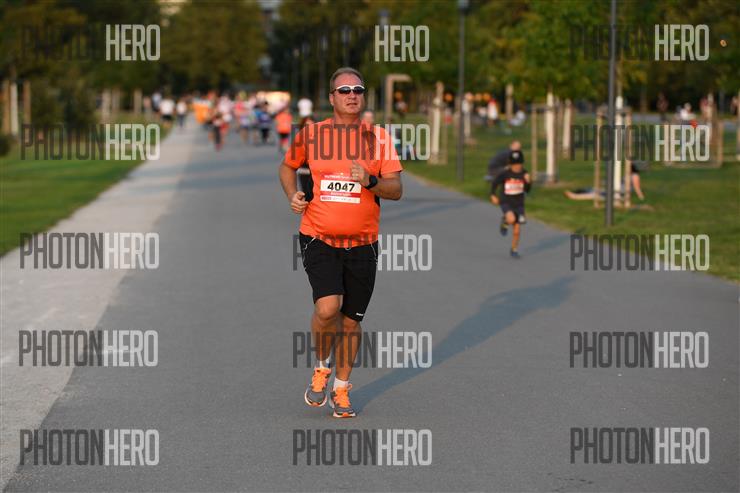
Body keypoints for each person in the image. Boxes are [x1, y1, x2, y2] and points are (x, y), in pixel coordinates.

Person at [278, 67, 403, 418]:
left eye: (357, 90)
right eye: (344, 90)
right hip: (318, 235)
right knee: (327, 308)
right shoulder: (312, 135)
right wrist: (293, 195)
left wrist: (370, 180)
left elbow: (395, 189)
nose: (352, 95)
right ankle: (322, 366)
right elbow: (287, 167)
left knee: (350, 322)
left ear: (363, 96)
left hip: (363, 242)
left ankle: (342, 388)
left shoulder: (379, 139)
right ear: (332, 97)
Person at [490, 149, 531, 258]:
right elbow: (495, 183)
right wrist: (493, 194)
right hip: (506, 201)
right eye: (514, 164)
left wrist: (528, 182)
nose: (517, 166)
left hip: (519, 204)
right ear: (510, 164)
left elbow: (527, 190)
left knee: (517, 230)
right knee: (511, 219)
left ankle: (514, 249)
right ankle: (505, 221)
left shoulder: (524, 174)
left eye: (519, 164)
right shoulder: (505, 174)